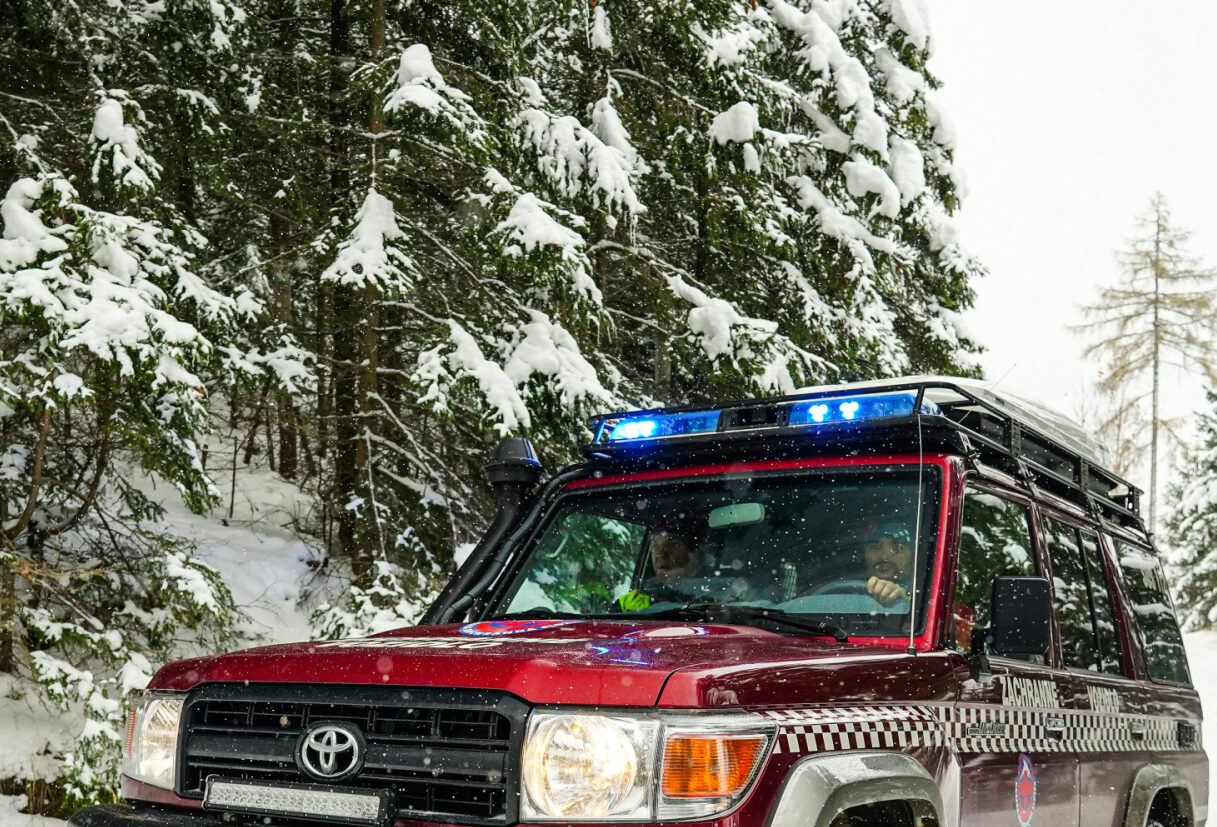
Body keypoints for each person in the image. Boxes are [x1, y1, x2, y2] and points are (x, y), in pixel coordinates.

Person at [617, 530, 701, 611]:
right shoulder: (627, 604)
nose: (660, 554)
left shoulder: (709, 602)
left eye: (673, 546)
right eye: (655, 546)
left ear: (694, 557)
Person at [862, 521, 915, 607]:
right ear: (865, 555)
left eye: (897, 547)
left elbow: (912, 598)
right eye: (875, 547)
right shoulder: (847, 593)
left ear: (913, 556)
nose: (884, 556)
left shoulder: (924, 589)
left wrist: (905, 599)